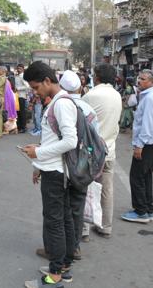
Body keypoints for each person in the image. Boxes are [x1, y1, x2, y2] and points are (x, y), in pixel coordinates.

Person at [22, 61, 79, 288]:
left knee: (55, 222)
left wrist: (38, 153)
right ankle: (63, 266)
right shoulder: (58, 102)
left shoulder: (61, 104)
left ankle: (54, 276)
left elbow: (70, 141)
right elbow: (52, 139)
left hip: (56, 173)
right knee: (63, 219)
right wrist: (38, 164)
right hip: (53, 170)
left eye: (36, 87)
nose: (35, 92)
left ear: (47, 80)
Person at [57, 70, 97, 255]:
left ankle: (63, 248)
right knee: (77, 206)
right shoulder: (89, 110)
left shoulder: (59, 106)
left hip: (63, 163)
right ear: (80, 87)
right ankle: (75, 247)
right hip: (84, 164)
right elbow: (95, 138)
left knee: (61, 207)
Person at [81, 63, 122, 240]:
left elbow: (81, 122)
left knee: (84, 187)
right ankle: (106, 226)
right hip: (109, 149)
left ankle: (83, 229)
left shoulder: (91, 95)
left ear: (97, 77)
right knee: (107, 189)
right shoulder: (117, 95)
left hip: (91, 151)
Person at [121, 69, 153, 224]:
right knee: (145, 176)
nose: (139, 81)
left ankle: (141, 211)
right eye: (139, 78)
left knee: (137, 176)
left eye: (143, 79)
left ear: (152, 82)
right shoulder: (149, 96)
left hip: (147, 143)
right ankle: (147, 209)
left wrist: (139, 145)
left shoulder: (151, 98)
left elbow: (147, 124)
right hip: (152, 141)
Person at [15, 64, 30, 133]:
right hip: (17, 96)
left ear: (23, 69)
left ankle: (23, 127)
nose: (18, 70)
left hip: (21, 96)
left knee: (22, 112)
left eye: (20, 68)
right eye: (18, 68)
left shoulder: (23, 76)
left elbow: (27, 86)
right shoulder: (17, 76)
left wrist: (18, 88)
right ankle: (20, 126)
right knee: (18, 112)